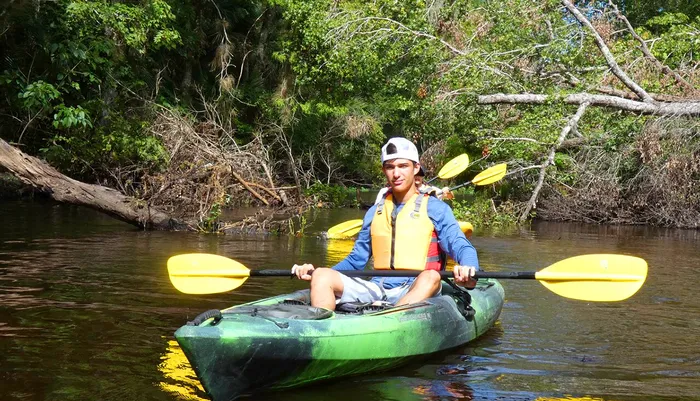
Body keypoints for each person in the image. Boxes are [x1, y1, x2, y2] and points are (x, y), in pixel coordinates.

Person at [293, 137, 478, 311]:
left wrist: (468, 267)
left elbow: (460, 246)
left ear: (415, 168)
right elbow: (356, 260)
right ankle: (322, 330)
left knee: (431, 276)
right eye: (390, 167)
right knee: (322, 276)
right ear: (384, 170)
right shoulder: (375, 212)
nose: (396, 173)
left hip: (417, 286)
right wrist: (318, 272)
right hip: (376, 286)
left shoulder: (436, 208)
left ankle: (390, 322)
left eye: (403, 166)